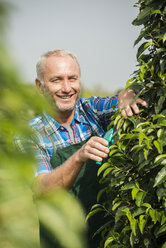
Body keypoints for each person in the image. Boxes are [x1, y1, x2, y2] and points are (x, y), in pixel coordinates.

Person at [15, 49, 147, 248]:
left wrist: (129, 95)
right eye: (56, 80)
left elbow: (132, 95)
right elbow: (42, 191)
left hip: (108, 237)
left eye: (73, 78)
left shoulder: (91, 110)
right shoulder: (29, 135)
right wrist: (79, 156)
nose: (67, 88)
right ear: (39, 86)